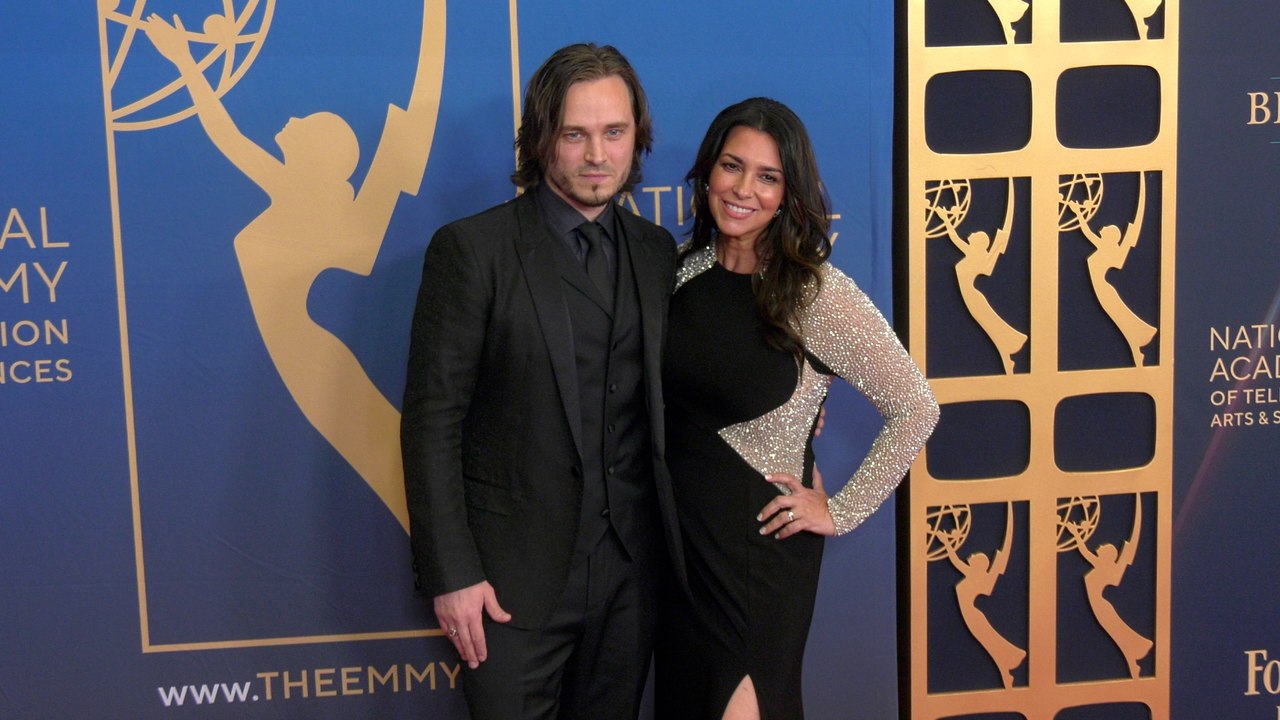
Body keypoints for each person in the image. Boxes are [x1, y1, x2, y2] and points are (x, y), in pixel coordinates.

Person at [400, 43, 683, 719]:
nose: (597, 155)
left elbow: (696, 383)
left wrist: (793, 419)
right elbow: (432, 421)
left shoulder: (655, 253)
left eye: (614, 133)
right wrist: (452, 573)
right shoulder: (472, 251)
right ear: (541, 139)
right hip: (508, 587)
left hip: (631, 579)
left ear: (636, 136)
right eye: (575, 134)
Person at [656, 97, 939, 719]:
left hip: (758, 560)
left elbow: (917, 407)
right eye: (733, 166)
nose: (743, 190)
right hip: (680, 555)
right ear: (708, 171)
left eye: (767, 177)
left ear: (788, 194)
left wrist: (839, 508)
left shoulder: (815, 295)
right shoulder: (679, 273)